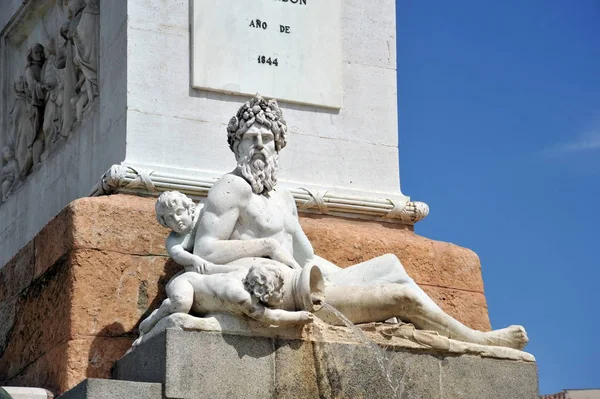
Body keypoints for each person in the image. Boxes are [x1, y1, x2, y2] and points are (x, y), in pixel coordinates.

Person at [192, 95, 528, 350]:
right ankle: (477, 340)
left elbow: (307, 258)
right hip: (290, 294)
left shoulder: (284, 198)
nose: (260, 146)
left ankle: (457, 332)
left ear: (279, 145)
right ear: (237, 145)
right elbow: (206, 249)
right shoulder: (231, 187)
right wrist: (265, 246)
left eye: (267, 138)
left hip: (315, 281)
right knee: (401, 298)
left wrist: (346, 278)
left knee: (391, 265)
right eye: (251, 138)